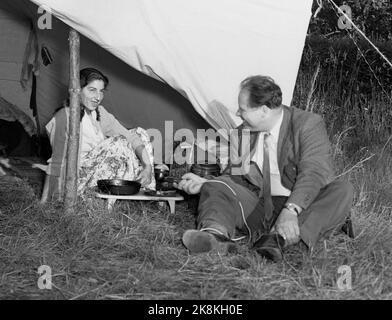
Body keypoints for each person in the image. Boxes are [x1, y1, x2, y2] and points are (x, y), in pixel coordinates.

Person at [176, 75, 354, 262]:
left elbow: (314, 171)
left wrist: (291, 210)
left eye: (243, 109)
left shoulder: (307, 124)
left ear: (263, 110)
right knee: (218, 184)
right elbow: (234, 176)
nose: (238, 113)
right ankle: (215, 237)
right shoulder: (241, 133)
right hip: (261, 206)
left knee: (342, 189)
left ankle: (279, 238)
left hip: (301, 207)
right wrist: (207, 184)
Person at [42, 67, 155, 201]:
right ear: (78, 90)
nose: (98, 97)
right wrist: (46, 199)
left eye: (101, 91)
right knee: (117, 143)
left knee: (139, 133)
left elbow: (131, 137)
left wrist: (147, 167)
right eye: (92, 90)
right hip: (78, 180)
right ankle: (103, 197)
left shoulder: (100, 113)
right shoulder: (64, 116)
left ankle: (148, 190)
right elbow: (56, 162)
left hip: (102, 173)